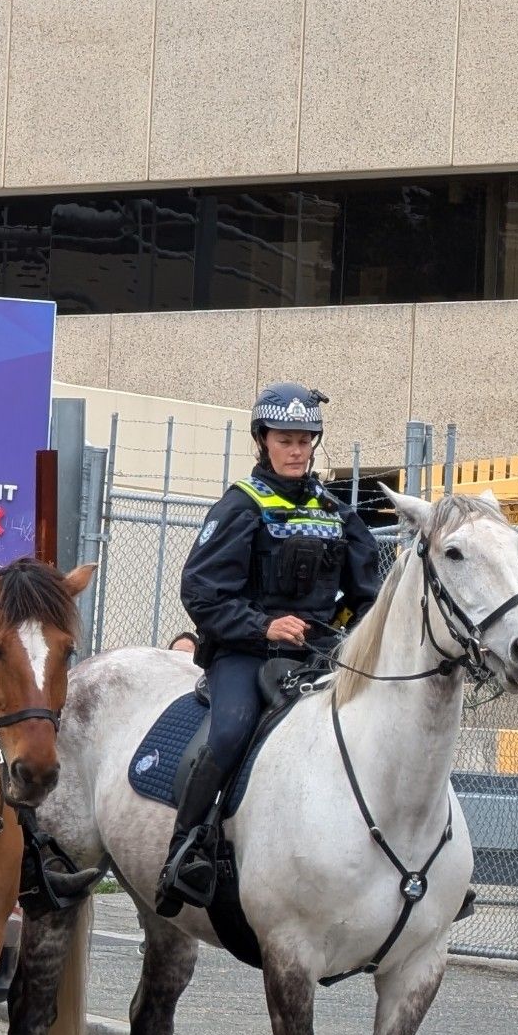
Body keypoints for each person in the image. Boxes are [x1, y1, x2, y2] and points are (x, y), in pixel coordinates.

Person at [154, 382, 382, 917]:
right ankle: (185, 850)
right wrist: (263, 626)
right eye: (286, 438)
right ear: (264, 440)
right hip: (245, 654)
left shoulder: (336, 514)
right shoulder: (240, 505)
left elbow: (368, 594)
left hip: (320, 658)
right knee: (231, 731)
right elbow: (201, 592)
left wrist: (339, 632)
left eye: (305, 439)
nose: (297, 449)